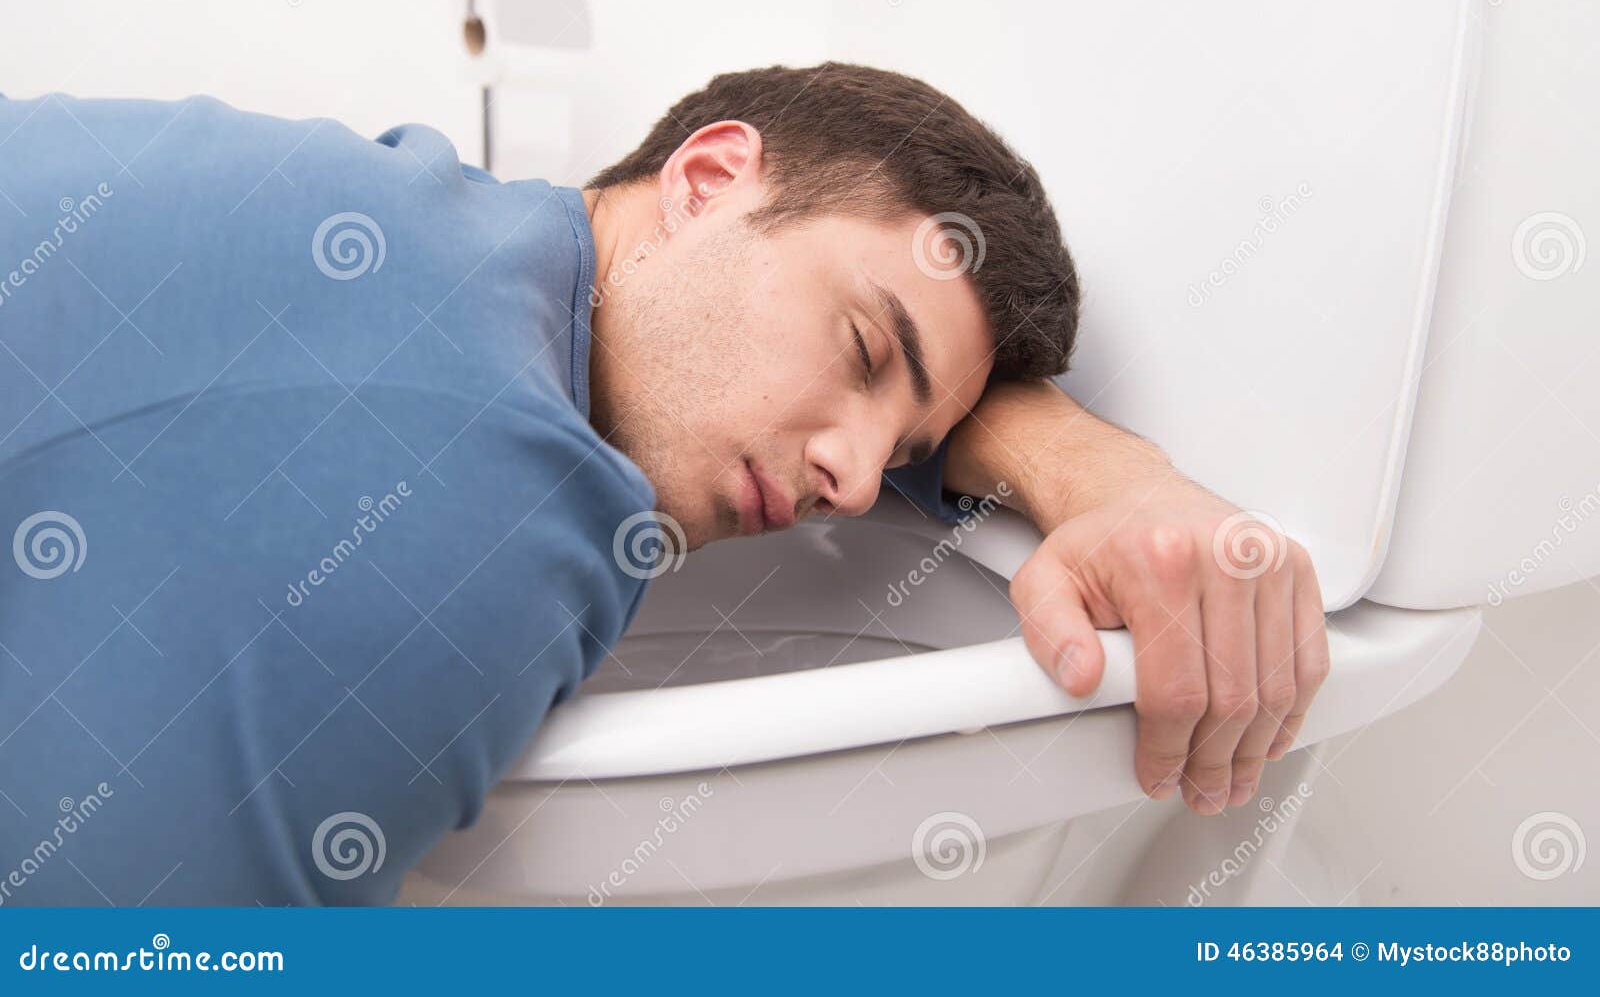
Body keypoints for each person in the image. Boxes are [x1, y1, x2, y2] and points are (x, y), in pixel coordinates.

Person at [0, 64, 1325, 905]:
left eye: (908, 452)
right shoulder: (504, 498)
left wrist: (1104, 470)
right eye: (864, 352)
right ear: (705, 176)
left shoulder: (405, 218)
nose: (856, 485)